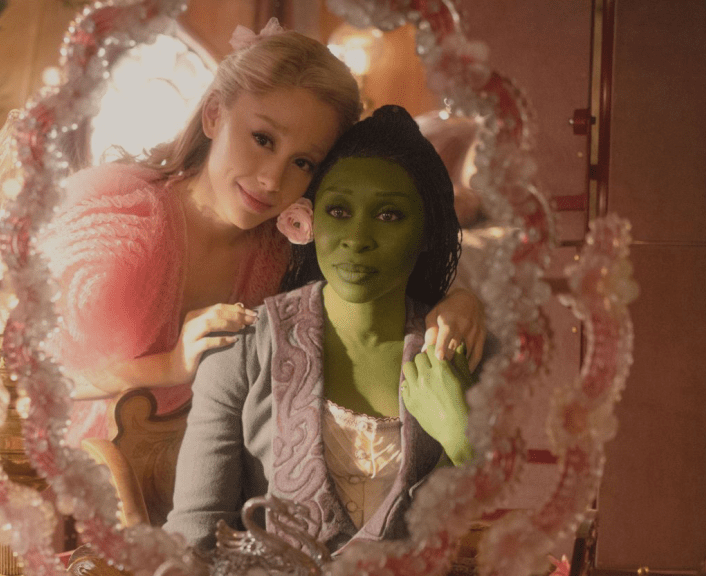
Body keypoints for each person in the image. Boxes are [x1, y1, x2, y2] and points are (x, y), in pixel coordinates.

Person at [41, 19, 485, 445]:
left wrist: (461, 303)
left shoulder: (288, 247)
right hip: (76, 466)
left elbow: (393, 289)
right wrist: (168, 366)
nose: (272, 180)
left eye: (303, 162)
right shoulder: (115, 217)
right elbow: (28, 374)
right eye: (263, 139)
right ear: (214, 115)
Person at [164, 105, 475, 555]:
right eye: (338, 210)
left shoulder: (461, 348)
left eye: (389, 215)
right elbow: (193, 537)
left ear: (427, 230)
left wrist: (464, 441)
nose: (357, 239)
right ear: (307, 220)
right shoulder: (241, 350)